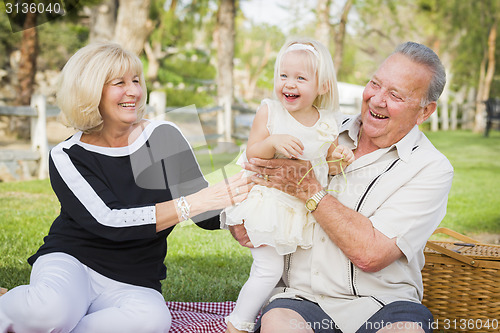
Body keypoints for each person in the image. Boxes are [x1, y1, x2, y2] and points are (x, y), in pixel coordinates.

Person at [0, 42, 252, 333]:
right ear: (90, 91)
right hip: (73, 261)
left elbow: (202, 209)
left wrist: (231, 218)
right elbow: (109, 220)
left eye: (136, 81)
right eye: (119, 83)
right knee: (50, 312)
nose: (133, 91)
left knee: (152, 322)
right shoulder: (67, 155)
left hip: (135, 277)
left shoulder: (163, 135)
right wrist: (195, 203)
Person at [230, 41, 454, 333]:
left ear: (425, 112)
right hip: (301, 297)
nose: (377, 100)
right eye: (375, 84)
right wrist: (236, 217)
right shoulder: (323, 126)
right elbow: (247, 169)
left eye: (395, 95)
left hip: (384, 302)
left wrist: (309, 189)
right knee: (278, 326)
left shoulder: (431, 168)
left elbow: (371, 254)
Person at [223, 38, 354, 333]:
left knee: (281, 272)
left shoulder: (326, 122)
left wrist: (340, 157)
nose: (289, 84)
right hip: (267, 203)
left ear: (322, 87)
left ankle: (269, 317)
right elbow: (252, 154)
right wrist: (272, 141)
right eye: (284, 75)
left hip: (298, 209)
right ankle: (237, 324)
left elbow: (326, 165)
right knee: (268, 268)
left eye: (300, 78)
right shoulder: (271, 112)